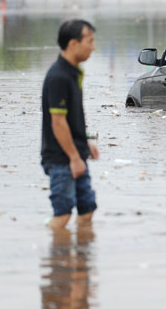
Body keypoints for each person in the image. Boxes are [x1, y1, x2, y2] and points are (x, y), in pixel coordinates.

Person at [41, 20, 99, 229]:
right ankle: (54, 257)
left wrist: (84, 144)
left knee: (87, 210)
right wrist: (74, 157)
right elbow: (58, 123)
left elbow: (71, 118)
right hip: (61, 158)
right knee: (63, 215)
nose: (93, 47)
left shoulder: (73, 74)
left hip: (76, 153)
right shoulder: (58, 77)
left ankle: (80, 259)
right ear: (73, 44)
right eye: (89, 41)